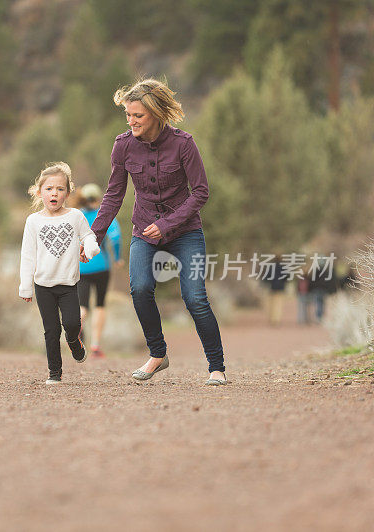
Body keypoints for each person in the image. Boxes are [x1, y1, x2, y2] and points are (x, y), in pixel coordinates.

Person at [90, 78, 228, 385]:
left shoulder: (183, 144)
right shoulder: (122, 145)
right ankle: (158, 354)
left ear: (156, 113)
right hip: (143, 231)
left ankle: (216, 367)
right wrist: (93, 237)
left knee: (194, 298)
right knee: (139, 289)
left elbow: (201, 193)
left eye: (137, 115)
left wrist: (166, 224)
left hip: (186, 232)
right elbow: (114, 195)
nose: (131, 121)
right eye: (128, 115)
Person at [19, 162, 100, 384]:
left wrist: (91, 248)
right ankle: (55, 373)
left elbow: (88, 237)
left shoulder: (75, 217)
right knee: (51, 330)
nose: (54, 193)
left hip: (68, 284)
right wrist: (25, 285)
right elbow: (28, 255)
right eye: (49, 189)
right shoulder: (33, 221)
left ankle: (74, 341)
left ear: (67, 192)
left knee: (72, 324)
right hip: (43, 285)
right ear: (39, 192)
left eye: (60, 189)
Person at [77, 183, 123, 358]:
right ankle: (95, 344)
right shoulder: (104, 216)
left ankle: (76, 332)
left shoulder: (77, 216)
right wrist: (117, 257)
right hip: (101, 265)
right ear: (98, 199)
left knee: (83, 306)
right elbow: (116, 237)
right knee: (100, 305)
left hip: (81, 266)